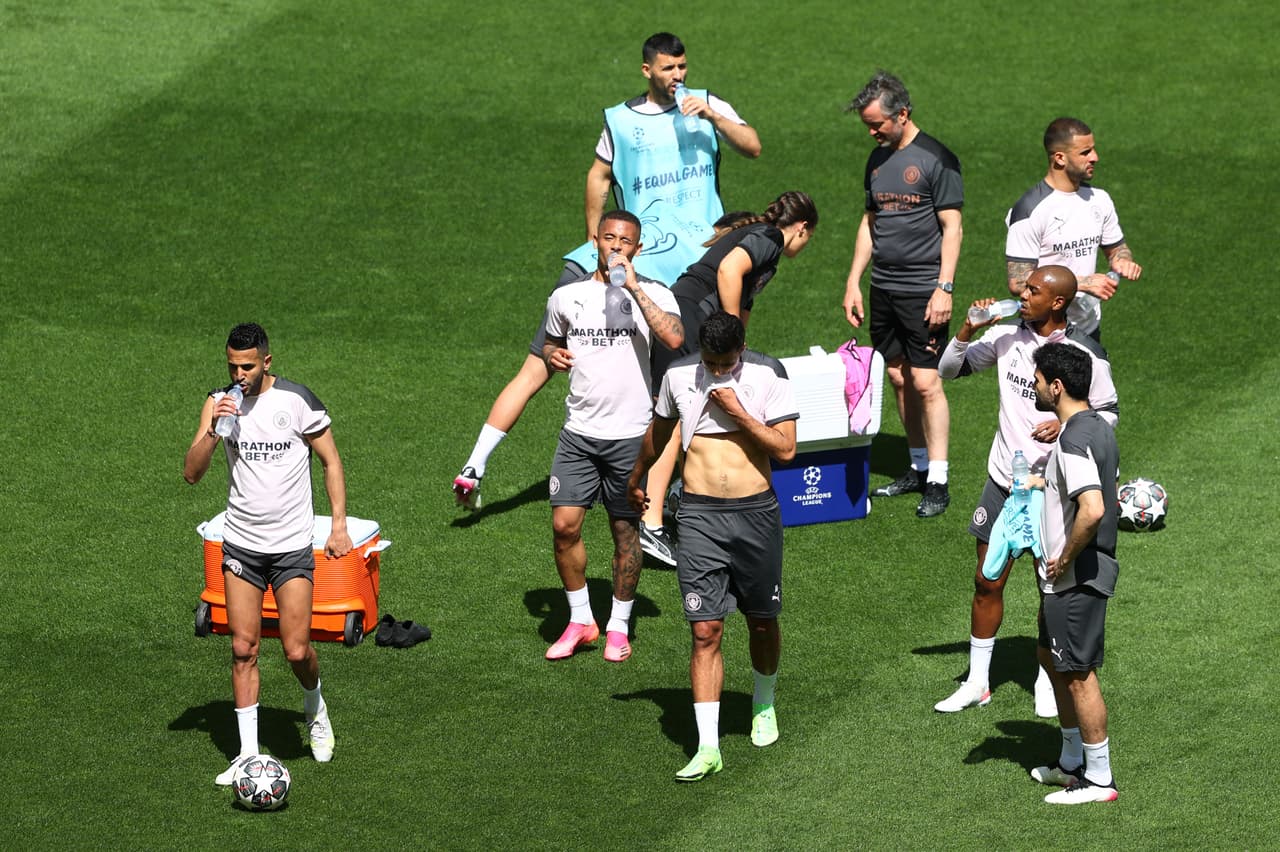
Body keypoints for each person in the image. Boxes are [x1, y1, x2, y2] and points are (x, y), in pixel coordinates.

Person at [453, 32, 760, 511]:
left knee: (652, 382)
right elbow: (597, 177)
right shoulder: (620, 120)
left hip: (642, 263)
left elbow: (753, 145)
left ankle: (650, 490)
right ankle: (476, 465)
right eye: (668, 69)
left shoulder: (706, 104)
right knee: (553, 365)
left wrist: (715, 116)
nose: (678, 77)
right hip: (653, 272)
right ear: (647, 71)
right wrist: (601, 244)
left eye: (682, 68)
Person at [932, 265, 1118, 716]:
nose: (1021, 293)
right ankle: (977, 682)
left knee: (1047, 585)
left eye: (1032, 290)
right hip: (1003, 481)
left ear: (1058, 302)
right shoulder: (1007, 337)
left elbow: (1109, 413)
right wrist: (966, 329)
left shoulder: (1083, 354)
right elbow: (947, 370)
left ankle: (1046, 680)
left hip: (1051, 492)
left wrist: (1067, 421)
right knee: (985, 580)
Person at [627, 311, 798, 782]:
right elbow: (660, 435)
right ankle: (708, 746)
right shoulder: (678, 376)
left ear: (741, 348)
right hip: (699, 517)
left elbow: (785, 450)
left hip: (755, 515)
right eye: (711, 362)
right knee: (705, 631)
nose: (718, 371)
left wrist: (739, 411)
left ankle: (763, 704)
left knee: (762, 623)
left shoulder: (768, 374)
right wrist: (637, 478)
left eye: (726, 362)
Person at [183, 322, 353, 786]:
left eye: (248, 366)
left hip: (292, 548)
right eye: (233, 366)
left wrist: (338, 526)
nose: (239, 375)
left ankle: (315, 707)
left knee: (297, 649)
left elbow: (331, 461)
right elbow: (192, 474)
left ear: (267, 362)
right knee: (243, 648)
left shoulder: (296, 401)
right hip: (241, 544)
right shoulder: (218, 404)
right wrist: (215, 430)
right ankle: (248, 756)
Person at [638, 191, 817, 565]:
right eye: (809, 236)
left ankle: (673, 498)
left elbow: (743, 301)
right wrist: (730, 327)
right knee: (671, 416)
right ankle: (650, 524)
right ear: (802, 227)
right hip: (689, 318)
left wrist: (739, 342)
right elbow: (728, 271)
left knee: (689, 408)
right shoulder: (769, 237)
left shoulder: (762, 240)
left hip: (689, 317)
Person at [541, 210, 684, 663]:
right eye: (608, 238)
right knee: (564, 527)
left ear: (637, 249)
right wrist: (553, 354)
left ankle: (619, 626)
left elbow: (676, 338)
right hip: (578, 435)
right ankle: (582, 620)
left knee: (626, 532)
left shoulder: (656, 294)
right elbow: (548, 341)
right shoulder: (567, 296)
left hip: (629, 436)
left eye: (625, 241)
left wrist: (634, 287)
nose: (616, 246)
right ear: (596, 242)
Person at [842, 71, 963, 518]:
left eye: (877, 125)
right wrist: (855, 279)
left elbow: (953, 228)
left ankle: (939, 479)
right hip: (883, 289)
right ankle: (915, 467)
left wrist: (943, 288)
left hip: (922, 291)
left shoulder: (937, 159)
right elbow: (870, 222)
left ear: (903, 114)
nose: (872, 133)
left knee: (926, 382)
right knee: (896, 377)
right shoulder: (876, 159)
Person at [1029, 342, 1121, 804]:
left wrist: (1063, 559)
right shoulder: (1097, 427)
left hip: (1077, 575)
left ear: (1057, 386)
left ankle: (1099, 779)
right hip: (1067, 576)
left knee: (1079, 673)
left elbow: (1093, 508)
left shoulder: (1072, 439)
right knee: (1051, 657)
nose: (1036, 385)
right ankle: (1069, 762)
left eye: (1039, 379)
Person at [1006, 117, 1143, 342]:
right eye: (1085, 152)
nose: (1095, 157)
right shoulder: (1031, 210)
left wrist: (1122, 260)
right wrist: (1083, 283)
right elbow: (1019, 282)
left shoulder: (1099, 200)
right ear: (1060, 158)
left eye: (1093, 149)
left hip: (1087, 330)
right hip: (1043, 333)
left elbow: (1117, 248)